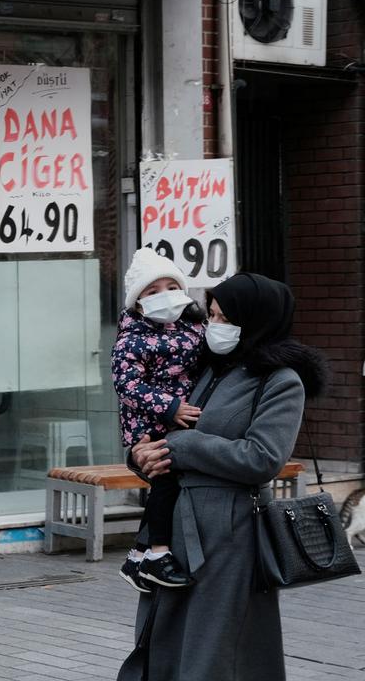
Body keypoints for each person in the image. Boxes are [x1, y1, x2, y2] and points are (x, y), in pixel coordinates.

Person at [120, 273, 328, 681]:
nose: (213, 326)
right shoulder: (205, 368)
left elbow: (263, 457)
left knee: (216, 645)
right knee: (166, 636)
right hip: (176, 527)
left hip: (230, 533)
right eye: (212, 315)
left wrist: (183, 447)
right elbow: (161, 429)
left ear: (253, 320)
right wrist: (140, 454)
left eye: (223, 317)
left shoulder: (281, 381)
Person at [111, 249, 206, 591]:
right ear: (137, 303)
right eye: (152, 292)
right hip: (148, 427)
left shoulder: (194, 327)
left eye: (171, 286)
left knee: (168, 486)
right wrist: (170, 407)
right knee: (165, 483)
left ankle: (136, 556)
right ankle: (157, 553)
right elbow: (127, 385)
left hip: (179, 424)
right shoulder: (131, 339)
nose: (163, 296)